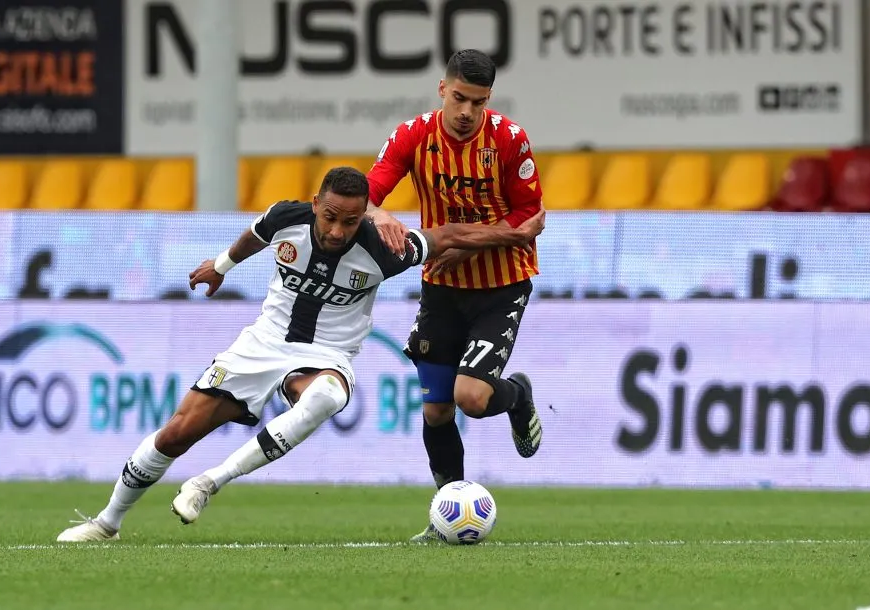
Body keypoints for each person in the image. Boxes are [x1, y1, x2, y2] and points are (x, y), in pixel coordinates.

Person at [56, 166, 545, 541]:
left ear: (363, 217)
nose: (337, 231)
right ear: (316, 204)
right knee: (178, 432)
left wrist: (515, 233)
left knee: (326, 397)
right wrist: (221, 265)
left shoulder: (383, 249)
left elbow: (447, 237)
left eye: (351, 222)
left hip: (327, 353)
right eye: (330, 217)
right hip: (262, 343)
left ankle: (210, 482)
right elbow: (255, 235)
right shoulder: (285, 218)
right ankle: (106, 523)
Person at [363, 49, 545, 542]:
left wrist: (459, 245)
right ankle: (447, 515)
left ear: (489, 99)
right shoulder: (412, 136)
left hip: (501, 286)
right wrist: (379, 215)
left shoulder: (509, 140)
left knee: (472, 398)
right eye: (459, 98)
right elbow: (368, 194)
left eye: (478, 102)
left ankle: (518, 395)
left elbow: (529, 221)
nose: (466, 112)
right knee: (437, 409)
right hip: (441, 288)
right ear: (442, 89)